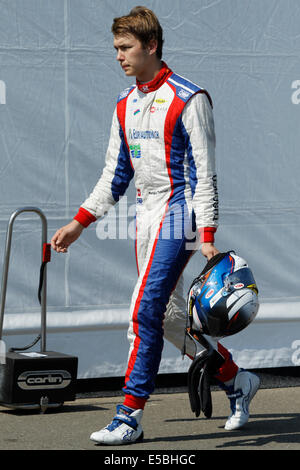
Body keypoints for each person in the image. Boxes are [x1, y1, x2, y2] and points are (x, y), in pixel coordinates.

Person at [51, 6, 260, 445]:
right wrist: (79, 222)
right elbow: (114, 176)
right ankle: (237, 381)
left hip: (181, 214)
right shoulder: (125, 104)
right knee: (165, 317)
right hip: (147, 217)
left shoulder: (190, 97)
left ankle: (129, 415)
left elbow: (206, 173)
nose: (118, 56)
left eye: (126, 48)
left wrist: (206, 235)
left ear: (152, 46)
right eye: (115, 49)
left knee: (143, 312)